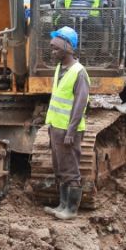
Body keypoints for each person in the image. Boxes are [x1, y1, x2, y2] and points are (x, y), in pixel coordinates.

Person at [43, 26, 89, 220]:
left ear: (68, 47)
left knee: (70, 169)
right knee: (60, 168)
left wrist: (70, 131)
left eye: (56, 48)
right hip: (56, 127)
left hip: (68, 131)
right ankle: (62, 205)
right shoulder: (60, 69)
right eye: (52, 48)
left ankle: (71, 209)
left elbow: (79, 105)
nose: (53, 52)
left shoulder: (79, 72)